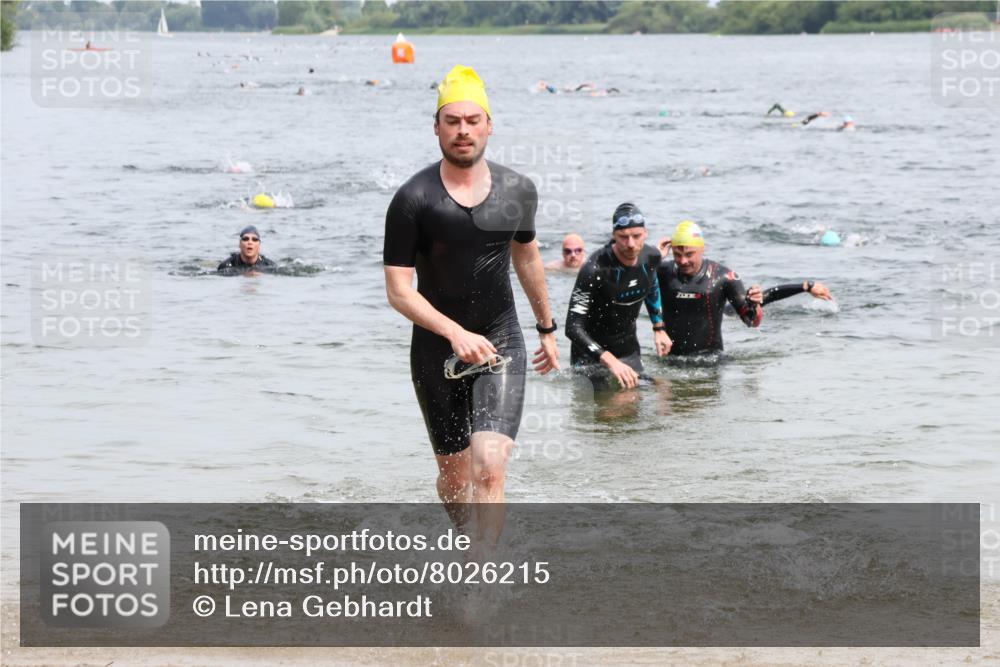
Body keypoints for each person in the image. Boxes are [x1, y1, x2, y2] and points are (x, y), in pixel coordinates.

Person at [383, 65, 560, 542]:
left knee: (488, 469)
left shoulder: (517, 190)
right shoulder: (412, 200)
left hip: (500, 340)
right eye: (452, 121)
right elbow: (399, 290)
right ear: (437, 127)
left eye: (472, 120)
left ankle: (482, 582)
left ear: (489, 125)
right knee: (456, 479)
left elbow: (526, 255)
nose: (463, 130)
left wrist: (546, 327)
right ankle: (468, 545)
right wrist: (454, 333)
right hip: (436, 351)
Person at [565, 203, 671, 390]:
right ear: (614, 236)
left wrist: (659, 327)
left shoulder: (652, 257)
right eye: (623, 237)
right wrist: (610, 361)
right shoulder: (594, 269)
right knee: (612, 411)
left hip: (628, 352)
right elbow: (573, 328)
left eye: (636, 236)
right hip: (591, 359)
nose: (630, 244)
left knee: (662, 394)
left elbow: (651, 284)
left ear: (645, 233)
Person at [655, 221, 762, 356]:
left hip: (711, 360)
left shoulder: (724, 277)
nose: (683, 261)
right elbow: (631, 279)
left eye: (689, 254)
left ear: (702, 249)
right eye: (677, 254)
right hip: (670, 359)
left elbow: (752, 321)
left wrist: (755, 304)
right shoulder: (662, 272)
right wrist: (654, 257)